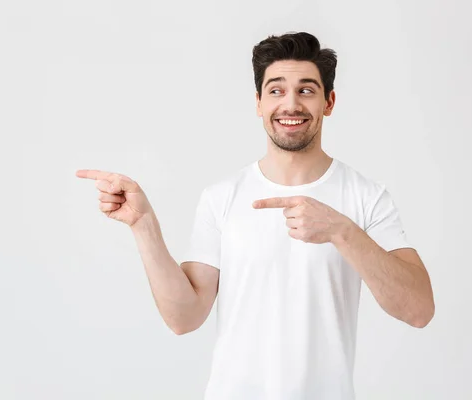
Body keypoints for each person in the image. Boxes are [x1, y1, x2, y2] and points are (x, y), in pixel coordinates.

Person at [76, 31, 435, 400]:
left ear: (328, 102)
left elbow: (419, 310)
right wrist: (143, 225)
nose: (291, 104)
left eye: (306, 90)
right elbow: (184, 318)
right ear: (259, 102)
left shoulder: (366, 197)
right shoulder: (222, 197)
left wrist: (342, 231)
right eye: (276, 91)